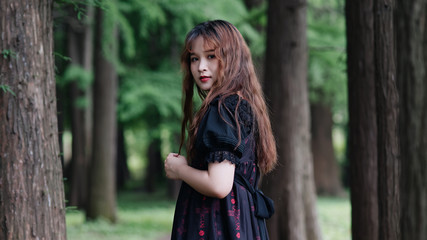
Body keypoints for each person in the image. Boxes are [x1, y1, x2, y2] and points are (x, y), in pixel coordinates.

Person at [164, 20, 277, 240]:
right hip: (238, 222)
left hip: (220, 226)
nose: (201, 67)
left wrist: (180, 170)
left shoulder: (224, 109)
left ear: (231, 58)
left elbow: (218, 185)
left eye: (211, 56)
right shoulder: (239, 105)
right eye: (194, 58)